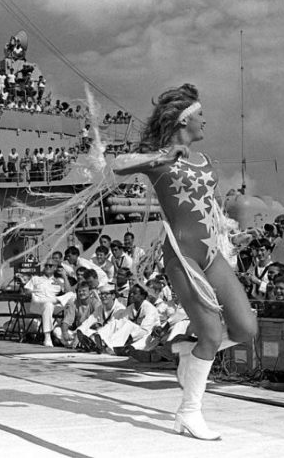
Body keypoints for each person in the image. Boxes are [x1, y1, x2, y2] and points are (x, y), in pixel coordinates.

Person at [112, 84, 256, 440]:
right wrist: (158, 158)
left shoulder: (205, 162)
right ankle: (189, 412)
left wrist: (229, 234)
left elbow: (210, 207)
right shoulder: (161, 160)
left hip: (213, 253)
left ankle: (189, 357)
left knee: (246, 329)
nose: (205, 120)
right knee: (210, 332)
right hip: (182, 255)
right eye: (199, 115)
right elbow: (117, 165)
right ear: (183, 121)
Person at [23, 258, 74, 347]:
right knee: (47, 304)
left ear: (55, 268)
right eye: (46, 265)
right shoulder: (36, 279)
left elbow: (68, 291)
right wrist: (32, 292)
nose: (47, 267)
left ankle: (48, 338)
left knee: (72, 296)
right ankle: (47, 337)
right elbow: (26, 291)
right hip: (37, 304)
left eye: (50, 265)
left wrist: (64, 276)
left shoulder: (59, 281)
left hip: (52, 306)